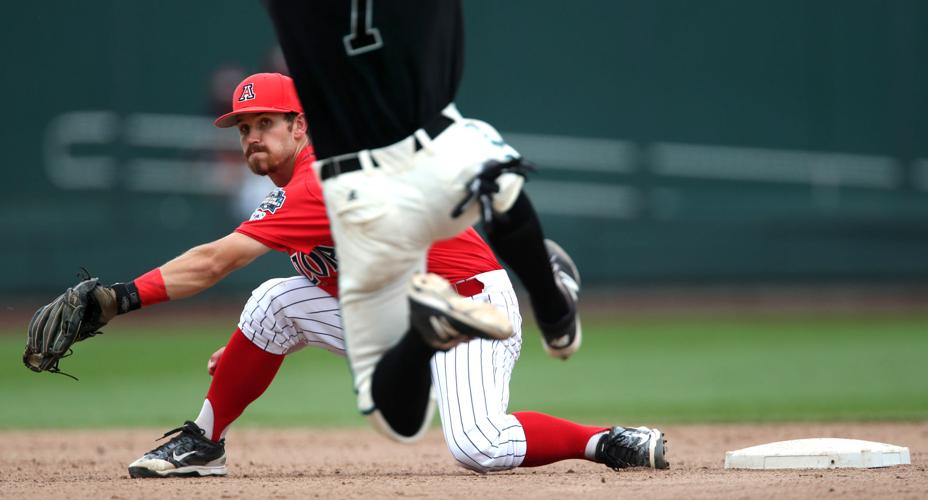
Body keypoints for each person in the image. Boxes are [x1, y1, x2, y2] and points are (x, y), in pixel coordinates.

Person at [125, 73, 668, 478]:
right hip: (402, 314)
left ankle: (606, 440)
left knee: (477, 444)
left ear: (300, 126)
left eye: (266, 123)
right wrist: (249, 348)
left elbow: (214, 262)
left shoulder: (316, 182)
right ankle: (204, 442)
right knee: (272, 305)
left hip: (468, 304)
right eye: (244, 128)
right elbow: (344, 274)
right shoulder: (288, 193)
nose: (251, 138)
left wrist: (119, 299)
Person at [261, 0, 595, 444]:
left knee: (394, 417)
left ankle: (427, 332)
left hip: (355, 188)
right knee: (496, 182)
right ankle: (551, 305)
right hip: (441, 147)